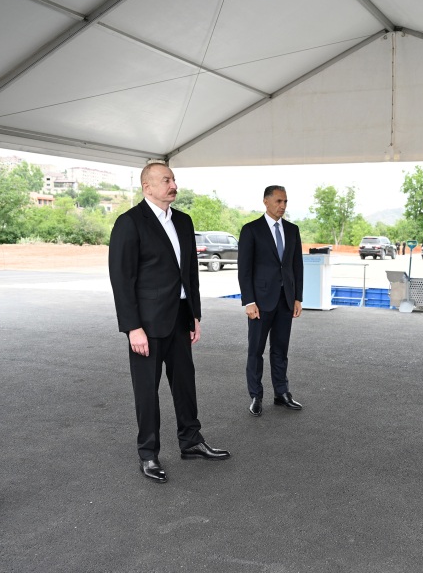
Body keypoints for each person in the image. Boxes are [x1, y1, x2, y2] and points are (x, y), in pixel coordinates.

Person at [108, 161, 230, 484]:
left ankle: (191, 441)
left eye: (173, 179)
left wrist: (194, 315)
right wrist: (132, 327)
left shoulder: (184, 221)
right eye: (166, 180)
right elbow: (121, 279)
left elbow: (190, 273)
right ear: (147, 187)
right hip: (146, 326)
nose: (173, 185)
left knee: (185, 384)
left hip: (179, 318)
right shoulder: (130, 223)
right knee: (147, 391)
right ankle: (148, 453)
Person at [237, 185, 304, 417]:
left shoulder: (293, 230)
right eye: (278, 201)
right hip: (260, 302)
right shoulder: (251, 230)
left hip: (286, 300)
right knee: (255, 350)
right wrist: (249, 301)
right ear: (266, 201)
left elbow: (297, 266)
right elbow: (244, 269)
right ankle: (256, 396)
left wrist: (298, 297)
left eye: (285, 201)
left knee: (280, 350)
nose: (282, 206)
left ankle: (281, 393)